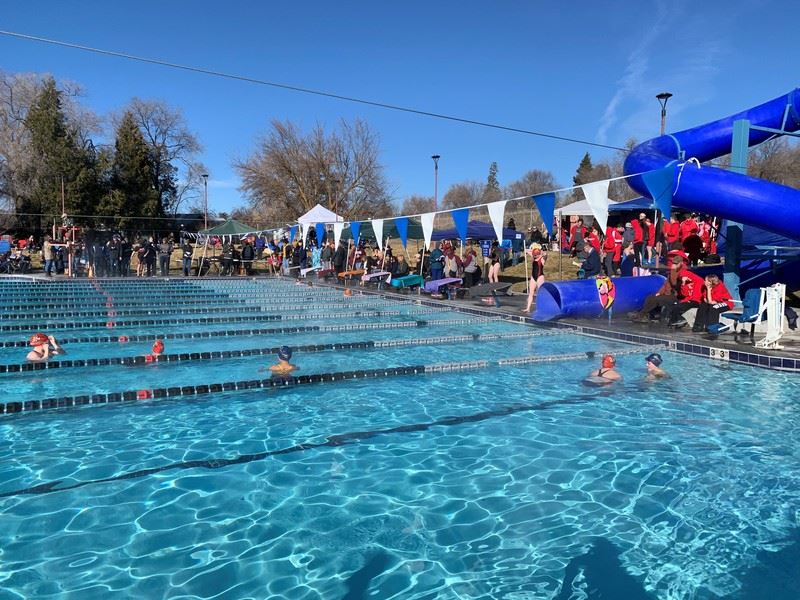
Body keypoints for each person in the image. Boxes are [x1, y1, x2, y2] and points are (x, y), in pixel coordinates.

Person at [524, 243, 546, 313]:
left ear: (538, 254)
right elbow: (526, 250)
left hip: (540, 277)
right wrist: (533, 248)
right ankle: (528, 308)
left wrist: (542, 252)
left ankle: (541, 308)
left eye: (536, 255)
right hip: (533, 277)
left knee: (540, 293)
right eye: (534, 255)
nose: (535, 256)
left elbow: (546, 255)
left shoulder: (542, 259)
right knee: (531, 293)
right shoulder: (534, 258)